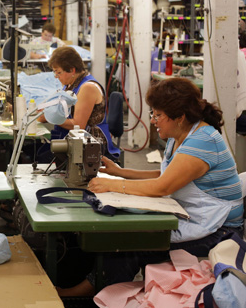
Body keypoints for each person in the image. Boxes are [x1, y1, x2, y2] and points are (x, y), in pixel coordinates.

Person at [61, 77, 244, 297]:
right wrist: (119, 172)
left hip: (218, 231)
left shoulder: (202, 141)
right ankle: (96, 286)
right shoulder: (182, 135)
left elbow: (162, 187)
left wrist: (114, 185)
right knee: (126, 231)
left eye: (158, 115)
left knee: (130, 244)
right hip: (198, 217)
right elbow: (167, 175)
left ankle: (91, 294)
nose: (153, 121)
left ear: (180, 117)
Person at [37, 46, 119, 159]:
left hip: (92, 144)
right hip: (76, 139)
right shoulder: (70, 83)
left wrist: (50, 117)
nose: (56, 76)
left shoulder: (87, 88)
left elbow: (78, 125)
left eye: (59, 72)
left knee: (40, 157)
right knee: (38, 150)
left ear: (72, 70)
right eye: (55, 72)